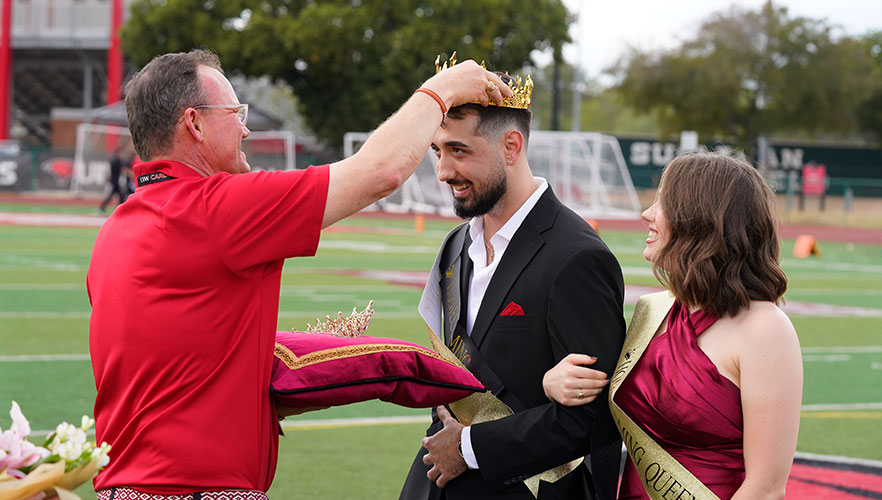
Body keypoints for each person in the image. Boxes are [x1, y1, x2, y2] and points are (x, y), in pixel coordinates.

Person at [87, 49, 512, 499]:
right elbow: (380, 172)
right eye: (236, 112)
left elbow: (179, 365)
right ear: (194, 123)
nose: (246, 127)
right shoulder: (217, 207)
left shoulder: (115, 230)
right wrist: (444, 88)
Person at [399, 71, 626, 500]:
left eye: (459, 151)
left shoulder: (578, 257)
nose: (444, 171)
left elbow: (593, 420)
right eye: (437, 151)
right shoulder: (455, 245)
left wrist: (468, 448)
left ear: (511, 147)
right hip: (434, 480)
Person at [542, 151, 803, 500]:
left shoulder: (765, 329)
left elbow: (766, 488)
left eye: (663, 203)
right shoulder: (655, 310)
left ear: (699, 218)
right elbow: (622, 412)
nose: (646, 214)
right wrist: (553, 383)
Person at [98, 145, 132, 213]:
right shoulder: (117, 160)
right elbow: (123, 169)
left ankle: (118, 209)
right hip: (115, 182)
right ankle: (118, 209)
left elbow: (108, 172)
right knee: (118, 195)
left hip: (113, 181)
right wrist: (130, 174)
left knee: (119, 195)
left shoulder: (112, 160)